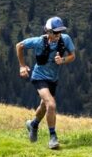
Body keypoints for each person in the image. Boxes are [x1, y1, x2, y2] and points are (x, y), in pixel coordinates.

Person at [16, 16, 76, 150]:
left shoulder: (65, 39)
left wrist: (63, 60)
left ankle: (33, 124)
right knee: (51, 104)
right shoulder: (38, 41)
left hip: (53, 79)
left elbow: (73, 55)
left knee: (44, 106)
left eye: (60, 31)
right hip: (39, 77)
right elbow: (19, 46)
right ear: (47, 31)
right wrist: (22, 66)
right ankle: (53, 137)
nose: (58, 34)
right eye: (55, 32)